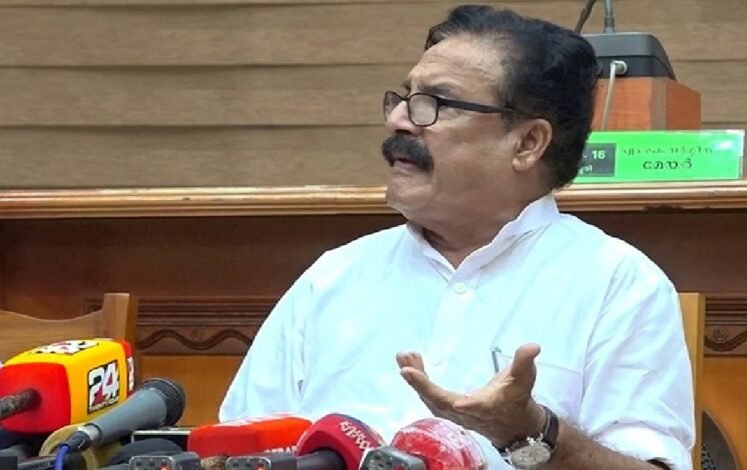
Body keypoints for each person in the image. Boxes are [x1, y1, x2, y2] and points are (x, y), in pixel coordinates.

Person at [219, 4, 694, 469]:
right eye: (404, 97)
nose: (398, 120)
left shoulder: (618, 284)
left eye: (436, 104)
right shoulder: (334, 277)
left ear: (527, 143)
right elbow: (232, 454)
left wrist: (532, 432)